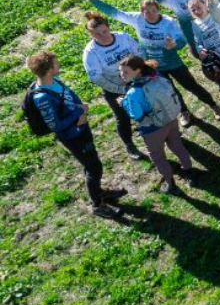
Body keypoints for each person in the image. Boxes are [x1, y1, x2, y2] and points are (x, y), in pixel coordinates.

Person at [88, 0, 220, 126]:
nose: (149, 15)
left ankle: (214, 106)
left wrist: (173, 45)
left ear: (159, 10)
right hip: (152, 66)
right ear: (141, 12)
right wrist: (94, 0)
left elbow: (182, 41)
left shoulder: (168, 22)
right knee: (170, 90)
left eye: (153, 11)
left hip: (173, 63)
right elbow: (115, 12)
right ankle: (184, 112)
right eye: (146, 12)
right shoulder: (137, 19)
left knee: (191, 85)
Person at [27, 50, 126, 216]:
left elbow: (69, 97)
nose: (59, 63)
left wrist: (81, 111)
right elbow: (54, 126)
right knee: (94, 168)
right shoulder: (42, 98)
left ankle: (99, 191)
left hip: (81, 127)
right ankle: (97, 204)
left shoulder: (54, 80)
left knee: (92, 163)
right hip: (73, 136)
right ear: (50, 69)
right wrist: (78, 114)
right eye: (56, 63)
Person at [119, 56, 196, 195]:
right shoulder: (157, 75)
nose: (122, 75)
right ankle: (190, 174)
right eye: (121, 72)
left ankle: (171, 185)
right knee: (178, 146)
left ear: (137, 71)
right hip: (171, 119)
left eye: (126, 72)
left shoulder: (133, 92)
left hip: (152, 128)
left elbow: (137, 116)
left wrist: (124, 103)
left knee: (158, 156)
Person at [81, 12, 147, 160]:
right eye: (96, 34)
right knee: (123, 118)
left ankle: (156, 130)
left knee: (148, 105)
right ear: (91, 35)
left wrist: (140, 74)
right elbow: (96, 77)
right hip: (115, 88)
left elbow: (139, 53)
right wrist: (121, 89)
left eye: (104, 31)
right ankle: (129, 145)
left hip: (136, 79)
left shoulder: (123, 37)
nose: (102, 36)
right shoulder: (90, 52)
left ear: (109, 27)